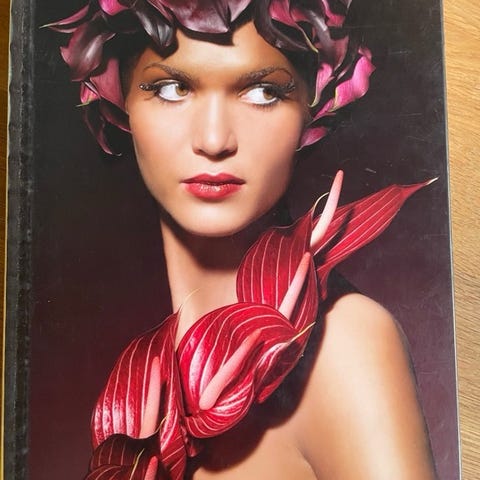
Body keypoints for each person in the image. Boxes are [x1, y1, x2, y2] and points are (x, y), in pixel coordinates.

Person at [51, 1, 437, 478]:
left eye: (262, 91)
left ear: (315, 106)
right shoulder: (152, 395)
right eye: (172, 88)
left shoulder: (345, 346)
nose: (214, 140)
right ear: (117, 102)